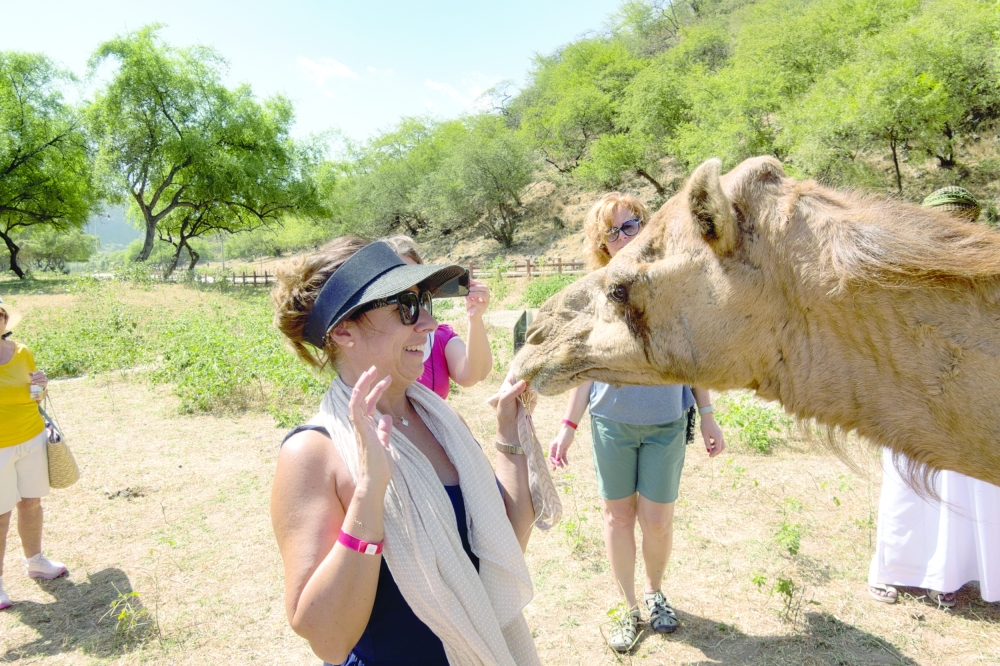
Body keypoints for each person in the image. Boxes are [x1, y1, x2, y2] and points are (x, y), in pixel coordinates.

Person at [270, 237, 545, 665]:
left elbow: (505, 543)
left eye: (425, 302)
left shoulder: (439, 420)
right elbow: (328, 639)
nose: (430, 323)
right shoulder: (313, 453)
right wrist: (368, 496)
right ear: (344, 330)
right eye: (407, 306)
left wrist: (509, 433)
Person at [547, 193, 726, 652]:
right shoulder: (595, 292)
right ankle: (628, 607)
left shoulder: (672, 284)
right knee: (617, 517)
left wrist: (707, 414)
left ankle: (655, 594)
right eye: (614, 230)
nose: (624, 237)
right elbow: (585, 369)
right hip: (612, 424)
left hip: (667, 420)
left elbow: (691, 360)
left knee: (658, 520)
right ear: (601, 243)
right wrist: (567, 427)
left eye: (633, 225)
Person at [867, 188, 999, 608]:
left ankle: (951, 577)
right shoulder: (899, 269)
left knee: (965, 488)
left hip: (966, 401)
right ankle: (895, 571)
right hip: (909, 396)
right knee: (908, 488)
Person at [0, 297, 68, 612]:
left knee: (31, 502)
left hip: (31, 436)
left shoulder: (22, 352)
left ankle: (36, 561)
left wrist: (41, 385)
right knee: (0, 515)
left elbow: (35, 398)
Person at [381, 235, 492, 399]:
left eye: (419, 291)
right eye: (399, 291)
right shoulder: (368, 347)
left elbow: (472, 376)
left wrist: (475, 319)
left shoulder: (439, 337)